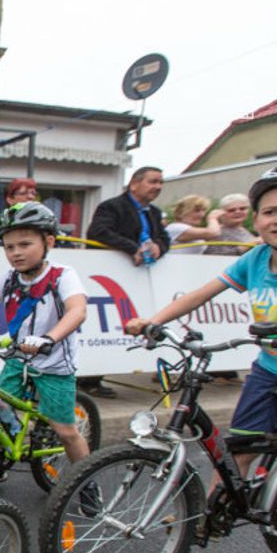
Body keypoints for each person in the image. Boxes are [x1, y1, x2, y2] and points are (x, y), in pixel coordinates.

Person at [125, 160, 277, 482]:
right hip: (271, 368)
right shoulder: (256, 258)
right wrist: (153, 320)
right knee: (239, 451)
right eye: (270, 211)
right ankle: (211, 519)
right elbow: (201, 294)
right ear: (257, 219)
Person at [0, 202, 94, 495]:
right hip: (18, 360)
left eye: (25, 244)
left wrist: (48, 339)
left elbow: (77, 311)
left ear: (48, 242)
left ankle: (87, 483)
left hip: (54, 366)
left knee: (65, 430)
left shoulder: (62, 275)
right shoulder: (8, 279)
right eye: (9, 247)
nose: (16, 253)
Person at [82, 166, 170, 398]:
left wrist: (159, 247)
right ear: (134, 184)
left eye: (161, 182)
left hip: (138, 279)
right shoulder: (112, 206)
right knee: (98, 326)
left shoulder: (154, 212)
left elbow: (164, 237)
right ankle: (89, 378)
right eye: (153, 181)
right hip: (105, 277)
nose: (158, 187)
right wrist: (133, 248)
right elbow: (98, 232)